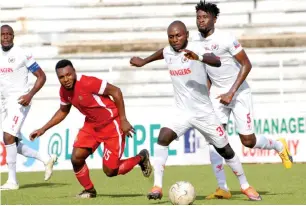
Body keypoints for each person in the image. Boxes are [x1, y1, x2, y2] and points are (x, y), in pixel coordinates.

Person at [129, 0, 293, 200]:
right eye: (198, 17)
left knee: (247, 141)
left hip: (238, 92)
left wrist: (231, 91)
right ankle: (221, 187)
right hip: (214, 96)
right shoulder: (190, 41)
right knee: (211, 143)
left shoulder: (224, 39)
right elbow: (166, 52)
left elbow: (240, 63)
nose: (201, 20)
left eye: (205, 17)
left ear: (214, 19)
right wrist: (144, 61)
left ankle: (277, 146)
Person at [29, 59, 152, 198]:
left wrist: (123, 120)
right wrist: (43, 128)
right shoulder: (63, 91)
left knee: (110, 171)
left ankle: (141, 157)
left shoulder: (88, 82)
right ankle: (89, 190)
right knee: (76, 158)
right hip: (92, 126)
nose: (66, 79)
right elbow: (63, 111)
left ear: (74, 72)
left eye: (68, 75)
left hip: (112, 124)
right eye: (61, 77)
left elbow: (116, 92)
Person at [0, 24, 57, 190]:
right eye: (3, 34)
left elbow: (41, 76)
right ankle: (46, 159)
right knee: (10, 141)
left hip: (19, 100)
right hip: (3, 102)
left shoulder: (22, 54)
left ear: (13, 36)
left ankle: (12, 181)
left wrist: (30, 95)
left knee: (8, 136)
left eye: (8, 34)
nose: (5, 37)